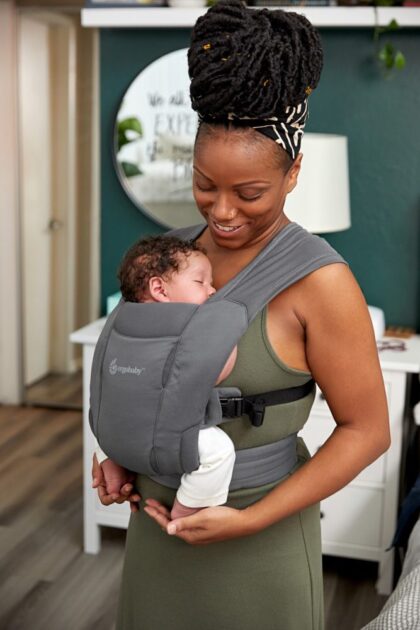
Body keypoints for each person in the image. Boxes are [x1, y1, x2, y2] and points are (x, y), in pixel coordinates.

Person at [92, 2, 390, 628]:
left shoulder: (321, 282)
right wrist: (119, 457)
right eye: (205, 184)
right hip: (156, 525)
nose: (222, 211)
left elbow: (367, 431)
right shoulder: (168, 260)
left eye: (249, 193)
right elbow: (135, 379)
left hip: (259, 537)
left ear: (293, 172)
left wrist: (251, 520)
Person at [95, 234, 237, 520]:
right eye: (201, 282)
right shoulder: (187, 329)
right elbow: (211, 376)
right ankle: (186, 511)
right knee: (219, 451)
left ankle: (117, 466)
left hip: (117, 431)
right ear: (159, 288)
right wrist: (228, 340)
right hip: (165, 430)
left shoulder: (121, 324)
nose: (212, 290)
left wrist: (115, 455)